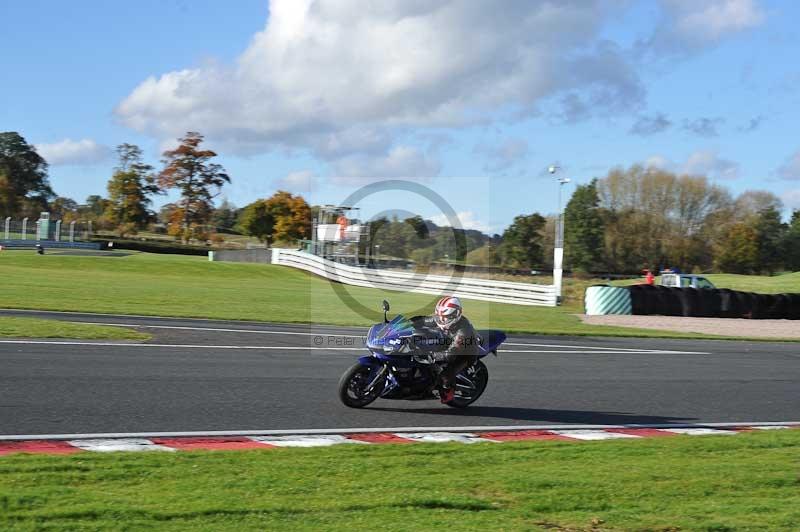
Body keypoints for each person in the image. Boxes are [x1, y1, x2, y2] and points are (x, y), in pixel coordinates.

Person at [418, 296, 479, 403]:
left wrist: (432, 356)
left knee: (444, 374)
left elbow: (451, 354)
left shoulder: (463, 332)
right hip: (448, 343)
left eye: (445, 317)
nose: (441, 320)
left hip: (465, 354)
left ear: (455, 315)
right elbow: (422, 320)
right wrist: (403, 324)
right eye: (439, 316)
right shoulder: (442, 319)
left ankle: (449, 390)